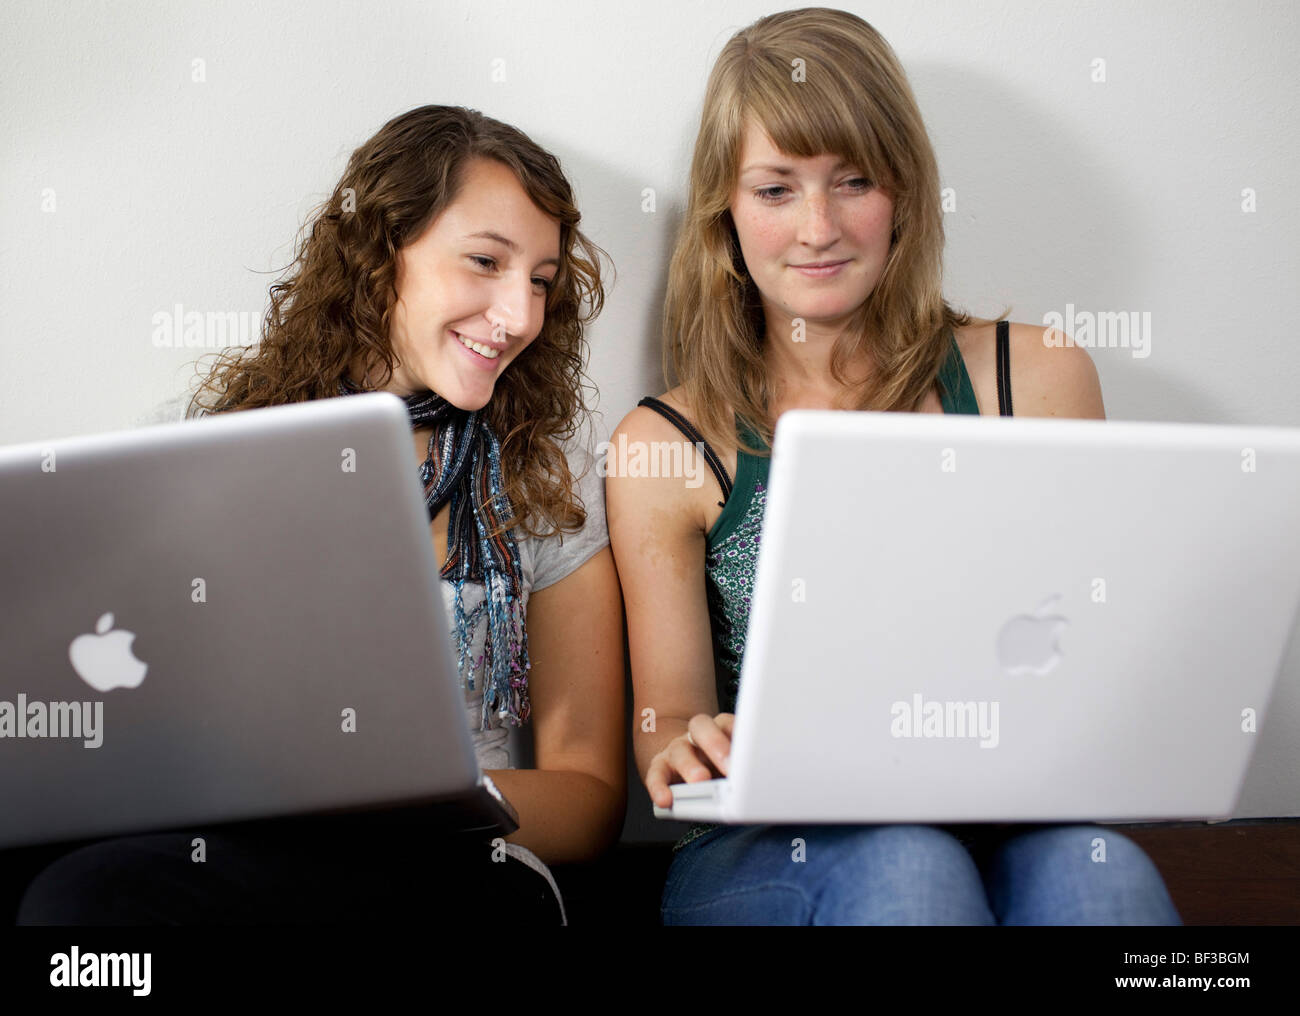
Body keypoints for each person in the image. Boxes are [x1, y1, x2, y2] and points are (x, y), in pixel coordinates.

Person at [606, 8, 1181, 925]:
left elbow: (1097, 643)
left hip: (1012, 815)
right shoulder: (662, 445)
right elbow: (667, 719)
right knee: (907, 865)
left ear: (905, 193)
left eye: (854, 181)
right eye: (776, 189)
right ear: (723, 205)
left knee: (1099, 870)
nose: (819, 227)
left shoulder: (1035, 376)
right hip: (765, 848)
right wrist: (684, 743)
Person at [16, 105, 625, 926]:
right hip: (251, 853)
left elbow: (587, 801)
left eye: (541, 281)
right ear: (380, 257)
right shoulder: (217, 446)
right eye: (485, 261)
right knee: (79, 901)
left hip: (459, 865)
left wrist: (418, 800)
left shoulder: (548, 477)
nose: (519, 314)